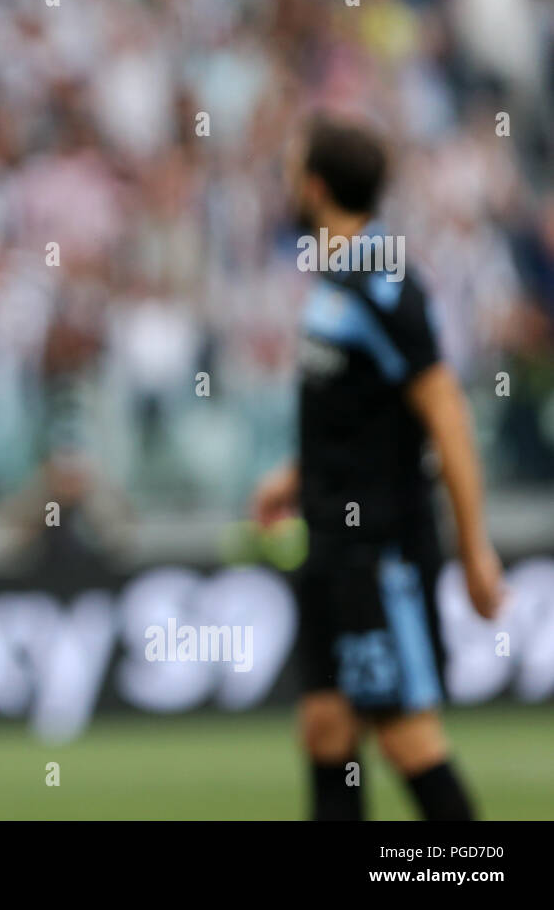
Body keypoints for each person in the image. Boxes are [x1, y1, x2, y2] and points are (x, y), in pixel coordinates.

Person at [252, 114, 504, 820]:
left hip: (380, 550)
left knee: (404, 734)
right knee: (327, 727)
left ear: (317, 185)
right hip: (330, 544)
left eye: (292, 170)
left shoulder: (383, 281)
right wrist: (295, 478)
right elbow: (359, 411)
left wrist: (475, 548)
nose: (286, 184)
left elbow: (445, 416)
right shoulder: (334, 280)